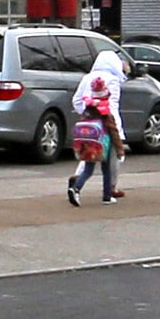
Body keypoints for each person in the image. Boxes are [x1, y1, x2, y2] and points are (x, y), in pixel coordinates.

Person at [67, 48, 127, 206]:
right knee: (110, 162)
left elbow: (77, 100)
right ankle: (109, 192)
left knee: (88, 158)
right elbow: (112, 106)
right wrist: (114, 127)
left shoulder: (87, 78)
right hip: (106, 128)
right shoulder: (113, 80)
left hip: (89, 125)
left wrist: (89, 115)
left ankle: (76, 181)